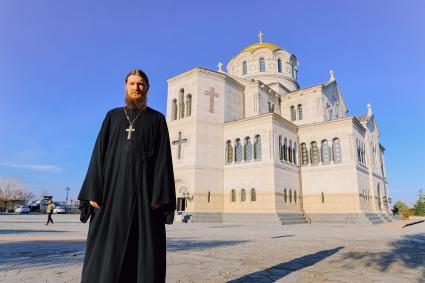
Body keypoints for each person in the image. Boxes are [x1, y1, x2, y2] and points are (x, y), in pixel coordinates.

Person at [78, 69, 176, 283]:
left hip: (145, 197)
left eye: (140, 84)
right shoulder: (112, 116)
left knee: (143, 250)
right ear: (125, 87)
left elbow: (163, 159)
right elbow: (98, 154)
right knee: (105, 252)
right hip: (111, 195)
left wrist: (160, 195)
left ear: (147, 88)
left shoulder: (157, 119)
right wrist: (94, 190)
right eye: (131, 83)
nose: (135, 87)